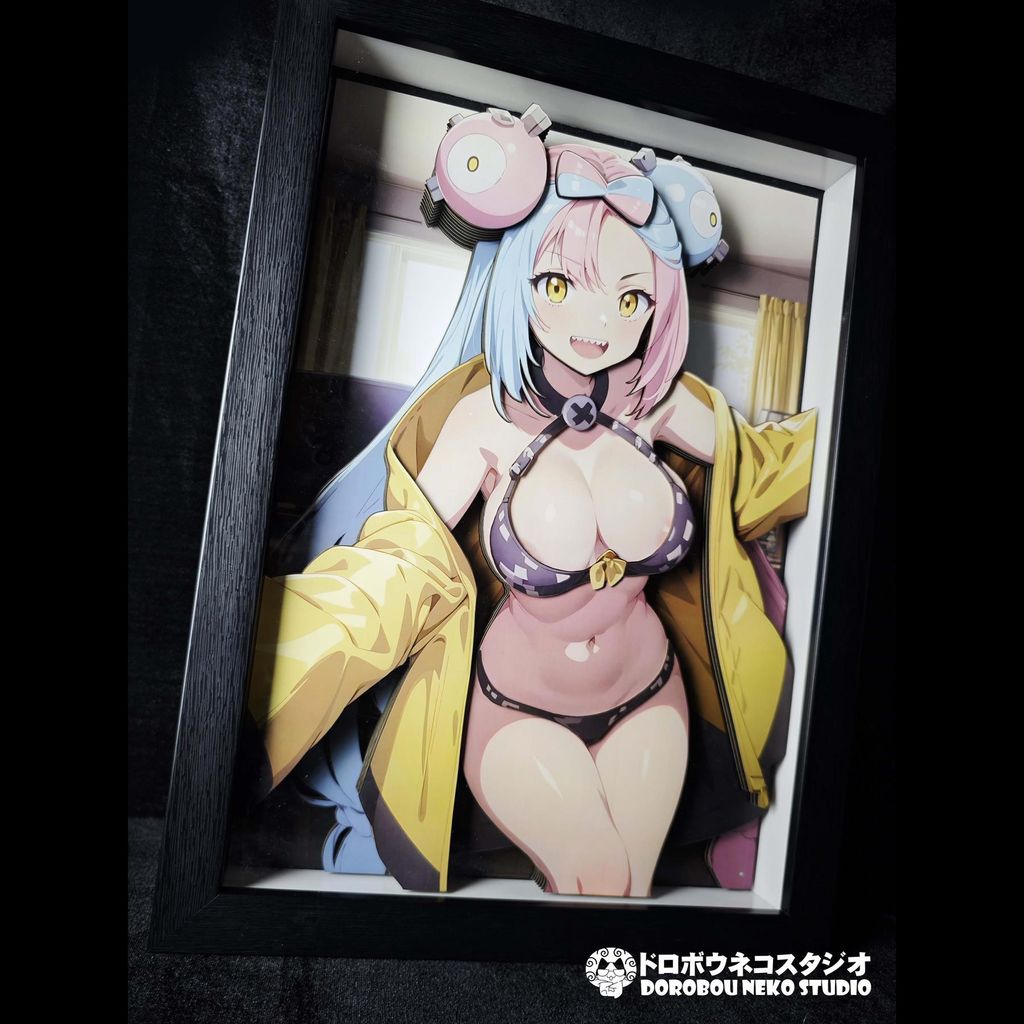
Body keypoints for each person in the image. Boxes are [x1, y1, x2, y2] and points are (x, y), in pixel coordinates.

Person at [244, 110, 818, 897]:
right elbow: (403, 561)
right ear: (520, 282)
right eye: (560, 285)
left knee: (629, 895)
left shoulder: (662, 405)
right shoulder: (481, 418)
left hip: (655, 697)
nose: (599, 324)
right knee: (597, 875)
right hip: (517, 712)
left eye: (631, 299)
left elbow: (772, 466)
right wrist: (266, 661)